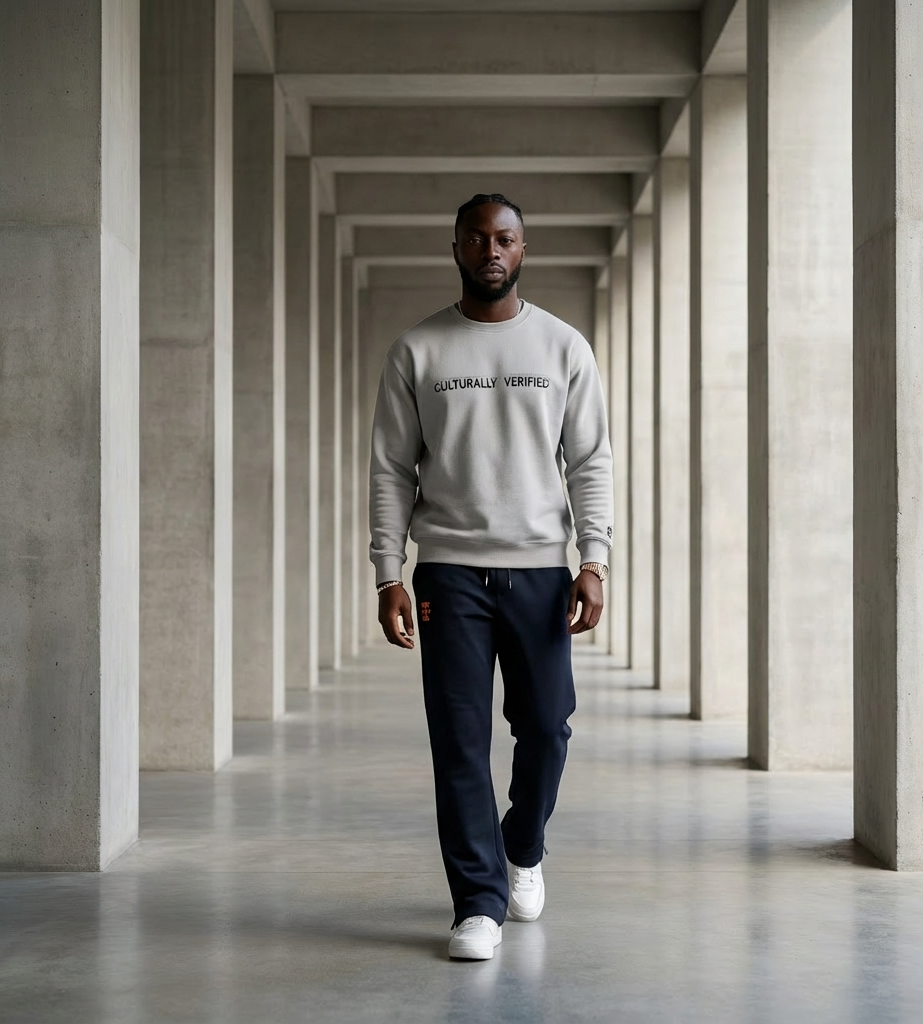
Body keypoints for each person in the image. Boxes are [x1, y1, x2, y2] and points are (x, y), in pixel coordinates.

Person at [368, 193, 614, 960]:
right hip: (448, 573)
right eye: (476, 239)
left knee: (546, 726)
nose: (491, 251)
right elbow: (390, 470)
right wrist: (387, 572)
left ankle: (523, 845)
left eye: (504, 238)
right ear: (456, 249)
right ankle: (477, 903)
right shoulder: (418, 350)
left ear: (522, 248)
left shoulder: (564, 348)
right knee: (459, 741)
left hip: (540, 569)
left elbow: (591, 461)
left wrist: (594, 559)